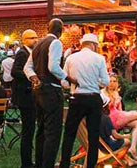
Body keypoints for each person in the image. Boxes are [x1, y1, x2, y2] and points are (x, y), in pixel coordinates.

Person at [59, 33, 110, 168]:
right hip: (93, 98)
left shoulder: (71, 58)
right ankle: (91, 165)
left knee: (69, 133)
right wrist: (95, 84)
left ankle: (64, 164)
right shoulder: (99, 59)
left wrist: (74, 84)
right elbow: (105, 81)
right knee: (93, 136)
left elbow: (63, 82)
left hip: (77, 98)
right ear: (93, 45)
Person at [23, 18, 69, 168]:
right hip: (52, 91)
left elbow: (27, 67)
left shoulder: (37, 45)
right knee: (53, 132)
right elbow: (53, 66)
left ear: (47, 28)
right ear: (60, 31)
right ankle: (47, 164)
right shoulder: (55, 43)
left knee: (41, 129)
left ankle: (39, 163)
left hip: (38, 92)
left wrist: (35, 78)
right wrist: (67, 78)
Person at [103, 73, 137, 160]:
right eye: (110, 81)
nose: (112, 83)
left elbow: (120, 110)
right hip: (110, 120)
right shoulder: (103, 93)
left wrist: (125, 118)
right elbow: (104, 110)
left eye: (114, 81)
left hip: (118, 116)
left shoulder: (116, 93)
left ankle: (133, 148)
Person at [12, 29, 38, 168]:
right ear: (24, 40)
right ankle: (26, 163)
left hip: (29, 96)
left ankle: (28, 161)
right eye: (32, 37)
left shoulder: (30, 52)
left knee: (29, 130)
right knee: (28, 131)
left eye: (36, 37)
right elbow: (15, 71)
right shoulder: (22, 53)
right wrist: (31, 76)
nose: (35, 39)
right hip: (25, 97)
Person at [100, 96, 137, 167]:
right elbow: (115, 135)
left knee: (115, 140)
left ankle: (129, 160)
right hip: (106, 147)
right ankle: (118, 161)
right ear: (105, 106)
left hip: (96, 145)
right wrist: (125, 136)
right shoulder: (105, 119)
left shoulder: (91, 117)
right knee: (127, 142)